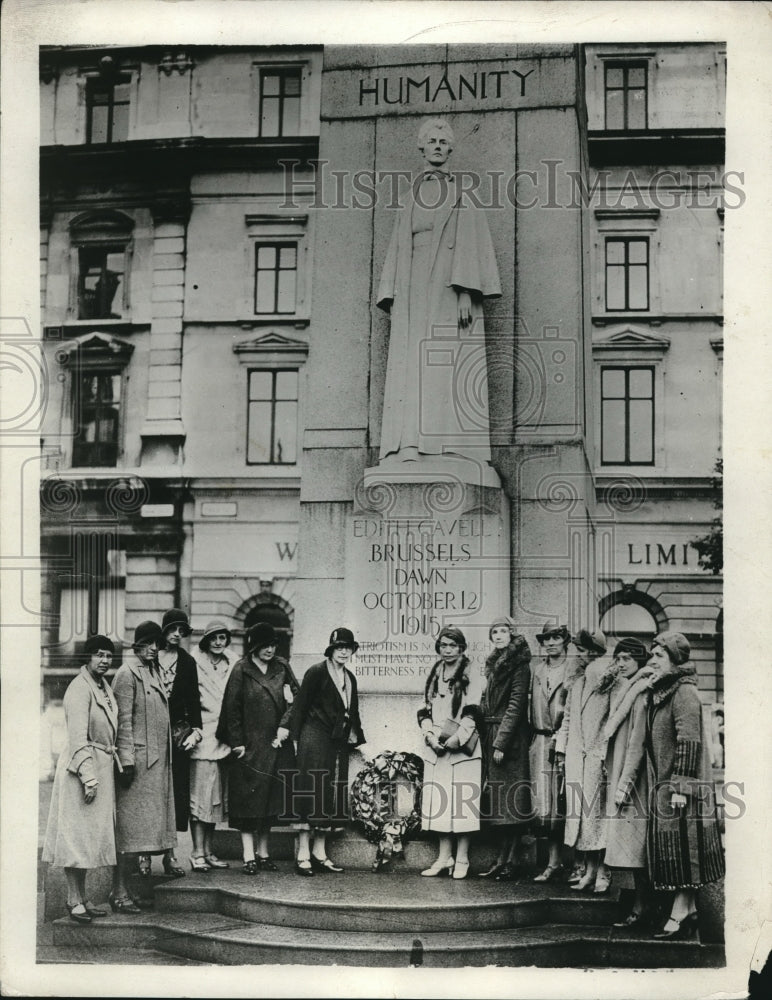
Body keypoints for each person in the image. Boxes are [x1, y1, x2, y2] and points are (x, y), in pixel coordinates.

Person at [376, 117, 501, 463]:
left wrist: (466, 292)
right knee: (412, 362)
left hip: (448, 285)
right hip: (412, 284)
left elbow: (472, 243)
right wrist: (392, 293)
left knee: (444, 360)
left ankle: (448, 447)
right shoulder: (408, 197)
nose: (437, 147)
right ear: (422, 147)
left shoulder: (464, 194)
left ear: (451, 149)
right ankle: (409, 444)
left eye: (443, 142)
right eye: (431, 141)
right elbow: (397, 247)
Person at [646, 631, 725, 939]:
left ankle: (680, 912)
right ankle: (688, 909)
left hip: (683, 788)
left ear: (674, 659)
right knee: (679, 846)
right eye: (652, 655)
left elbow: (688, 741)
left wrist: (680, 787)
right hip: (669, 784)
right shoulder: (666, 689)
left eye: (659, 655)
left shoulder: (683, 692)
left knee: (684, 847)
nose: (652, 660)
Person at [42, 634, 119, 922]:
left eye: (108, 655)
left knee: (88, 838)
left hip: (100, 766)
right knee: (76, 837)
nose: (104, 660)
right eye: (99, 655)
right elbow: (77, 738)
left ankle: (83, 897)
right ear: (87, 657)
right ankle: (73, 898)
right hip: (81, 770)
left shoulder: (102, 686)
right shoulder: (79, 688)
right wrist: (89, 777)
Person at [217, 622, 299, 874]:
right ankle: (248, 855)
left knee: (270, 801)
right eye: (265, 645)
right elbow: (231, 709)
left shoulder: (282, 667)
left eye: (273, 645)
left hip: (276, 743)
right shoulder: (241, 669)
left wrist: (285, 725)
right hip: (250, 746)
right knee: (248, 802)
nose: (270, 650)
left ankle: (263, 853)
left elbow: (298, 699)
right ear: (254, 647)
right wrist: (237, 744)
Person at [286, 627, 366, 875]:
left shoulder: (350, 678)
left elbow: (352, 712)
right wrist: (296, 740)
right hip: (314, 738)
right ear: (331, 650)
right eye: (338, 647)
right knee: (311, 791)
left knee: (330, 794)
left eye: (347, 648)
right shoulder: (317, 672)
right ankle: (303, 854)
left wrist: (358, 740)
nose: (343, 652)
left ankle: (319, 853)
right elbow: (299, 707)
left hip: (337, 742)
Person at [112, 621, 176, 911]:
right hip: (136, 767)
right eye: (148, 643)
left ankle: (130, 890)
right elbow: (122, 721)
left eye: (157, 644)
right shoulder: (127, 673)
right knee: (129, 834)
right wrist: (126, 761)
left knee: (142, 834)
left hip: (155, 766)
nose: (153, 648)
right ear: (136, 644)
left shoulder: (153, 670)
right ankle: (119, 892)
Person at [138, 608, 202, 880]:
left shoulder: (187, 662)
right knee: (148, 794)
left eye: (181, 631)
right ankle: (143, 853)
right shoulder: (148, 658)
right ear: (163, 631)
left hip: (177, 737)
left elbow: (193, 700)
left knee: (174, 796)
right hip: (149, 735)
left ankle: (169, 854)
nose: (177, 634)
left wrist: (196, 731)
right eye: (173, 629)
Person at [417, 625, 483, 881]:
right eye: (443, 645)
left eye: (452, 645)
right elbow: (424, 709)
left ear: (461, 648)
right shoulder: (435, 672)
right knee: (440, 803)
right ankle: (445, 858)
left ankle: (463, 857)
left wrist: (457, 739)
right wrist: (429, 736)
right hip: (438, 747)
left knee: (463, 804)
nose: (447, 650)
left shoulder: (471, 673)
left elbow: (472, 711)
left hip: (461, 747)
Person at [556, 629, 614, 894]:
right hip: (575, 758)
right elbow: (567, 720)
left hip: (597, 758)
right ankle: (589, 870)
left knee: (597, 816)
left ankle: (603, 870)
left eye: (580, 650)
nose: (576, 655)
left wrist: (604, 755)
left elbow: (612, 722)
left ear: (593, 652)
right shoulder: (577, 683)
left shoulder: (609, 682)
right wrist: (561, 751)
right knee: (581, 816)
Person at [602, 637, 656, 926]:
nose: (621, 664)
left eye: (627, 659)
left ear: (640, 660)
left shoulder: (641, 691)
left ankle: (641, 906)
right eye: (618, 658)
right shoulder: (627, 689)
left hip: (635, 779)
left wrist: (624, 783)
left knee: (637, 846)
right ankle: (635, 902)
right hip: (622, 772)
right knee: (629, 843)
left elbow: (637, 743)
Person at [478, 617, 533, 880]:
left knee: (511, 804)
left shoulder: (520, 664)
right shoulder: (493, 663)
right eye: (495, 632)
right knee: (499, 803)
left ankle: (512, 860)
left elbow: (515, 705)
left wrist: (501, 742)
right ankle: (501, 859)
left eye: (503, 631)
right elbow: (486, 700)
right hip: (493, 734)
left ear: (512, 634)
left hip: (510, 741)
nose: (499, 635)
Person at [189, 619, 235, 871]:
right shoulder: (194, 663)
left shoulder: (232, 663)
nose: (218, 643)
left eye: (222, 638)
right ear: (206, 641)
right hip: (202, 737)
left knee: (216, 800)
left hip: (223, 739)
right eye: (214, 638)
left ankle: (208, 850)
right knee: (200, 799)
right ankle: (196, 851)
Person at [529, 623, 571, 882]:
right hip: (541, 741)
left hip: (565, 742)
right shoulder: (538, 670)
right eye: (547, 639)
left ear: (565, 640)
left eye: (556, 637)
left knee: (565, 801)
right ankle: (553, 862)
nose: (551, 643)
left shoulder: (573, 669)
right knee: (545, 805)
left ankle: (578, 863)